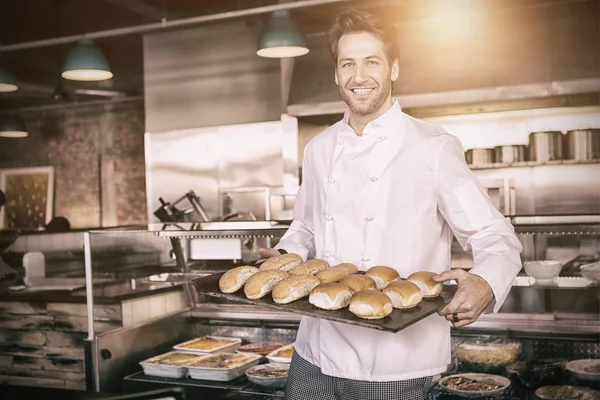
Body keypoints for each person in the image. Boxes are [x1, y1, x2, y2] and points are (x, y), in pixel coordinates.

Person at [258, 9, 523, 400]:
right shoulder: (318, 148)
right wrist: (283, 254)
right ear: (336, 73)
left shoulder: (433, 148)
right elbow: (306, 227)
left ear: (393, 69)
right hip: (314, 350)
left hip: (397, 360)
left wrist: (486, 280)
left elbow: (492, 233)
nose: (359, 76)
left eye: (372, 62)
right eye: (348, 63)